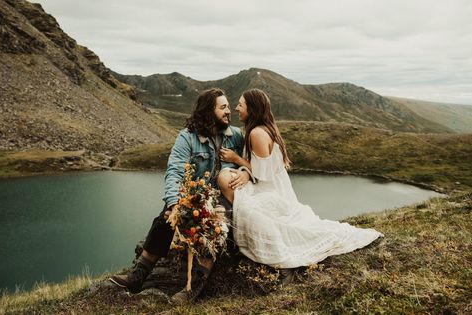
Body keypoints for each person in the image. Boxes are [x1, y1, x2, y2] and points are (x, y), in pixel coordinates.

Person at [218, 89, 383, 283]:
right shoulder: (262, 129)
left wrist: (236, 159)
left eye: (240, 105)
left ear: (252, 109)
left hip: (270, 189)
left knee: (229, 183)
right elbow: (264, 167)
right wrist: (245, 171)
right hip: (273, 186)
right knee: (230, 181)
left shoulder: (256, 133)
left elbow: (264, 173)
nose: (236, 108)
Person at [109, 88, 250, 303]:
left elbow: (258, 162)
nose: (228, 112)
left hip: (224, 198)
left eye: (229, 107)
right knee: (167, 217)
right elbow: (174, 171)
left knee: (216, 226)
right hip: (195, 197)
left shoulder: (236, 136)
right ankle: (137, 276)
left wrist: (246, 172)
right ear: (207, 111)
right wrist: (174, 203)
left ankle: (193, 287)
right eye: (223, 108)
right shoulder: (187, 137)